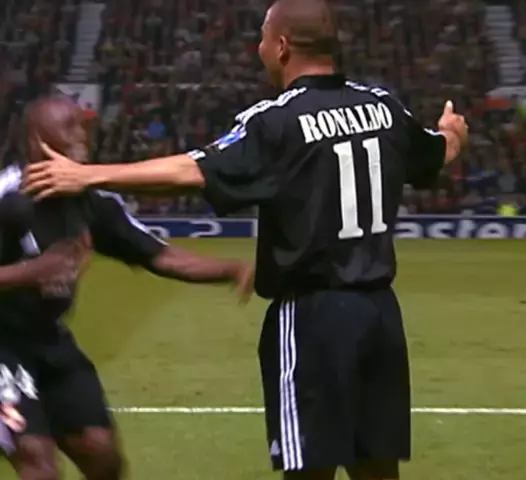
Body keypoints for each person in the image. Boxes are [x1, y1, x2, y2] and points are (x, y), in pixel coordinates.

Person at [24, 0, 469, 478]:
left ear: (282, 47)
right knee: (379, 469)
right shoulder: (383, 107)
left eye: (262, 37)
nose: (258, 47)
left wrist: (87, 175)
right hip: (380, 315)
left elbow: (191, 170)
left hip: (312, 316)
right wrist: (451, 132)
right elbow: (439, 153)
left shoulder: (276, 121)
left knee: (308, 466)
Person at [3, 94, 254, 480]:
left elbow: (162, 257)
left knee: (102, 454)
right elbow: (37, 269)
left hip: (49, 341)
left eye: (85, 126)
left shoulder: (93, 201)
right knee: (39, 463)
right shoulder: (7, 197)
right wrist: (33, 271)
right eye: (70, 127)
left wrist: (234, 269)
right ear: (38, 140)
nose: (83, 135)